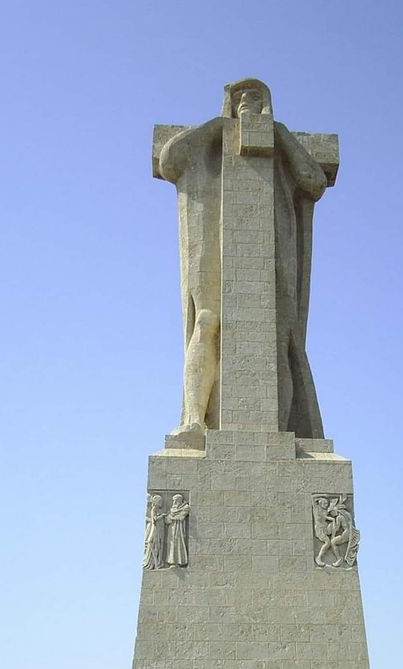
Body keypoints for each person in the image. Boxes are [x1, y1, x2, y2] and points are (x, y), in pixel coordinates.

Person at [158, 78, 327, 438]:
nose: (248, 100)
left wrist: (280, 135)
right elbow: (170, 159)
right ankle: (194, 420)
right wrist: (219, 127)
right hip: (212, 243)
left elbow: (314, 181)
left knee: (282, 337)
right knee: (207, 320)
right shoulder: (211, 139)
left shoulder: (280, 141)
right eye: (239, 96)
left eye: (256, 96)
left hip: (276, 247)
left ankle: (281, 431)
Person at [165, 495, 190, 566]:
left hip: (179, 529)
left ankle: (180, 561)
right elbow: (167, 519)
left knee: (179, 543)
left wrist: (172, 517)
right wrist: (170, 517)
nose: (174, 502)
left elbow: (181, 517)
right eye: (173, 500)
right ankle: (171, 561)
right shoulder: (172, 509)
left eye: (175, 500)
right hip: (172, 529)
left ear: (179, 500)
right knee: (171, 544)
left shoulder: (185, 507)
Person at [143, 494, 166, 569]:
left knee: (158, 546)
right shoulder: (153, 509)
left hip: (160, 529)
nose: (161, 503)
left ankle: (158, 562)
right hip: (156, 529)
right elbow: (154, 519)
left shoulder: (158, 509)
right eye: (160, 501)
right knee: (154, 544)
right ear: (157, 502)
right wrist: (162, 516)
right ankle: (154, 563)